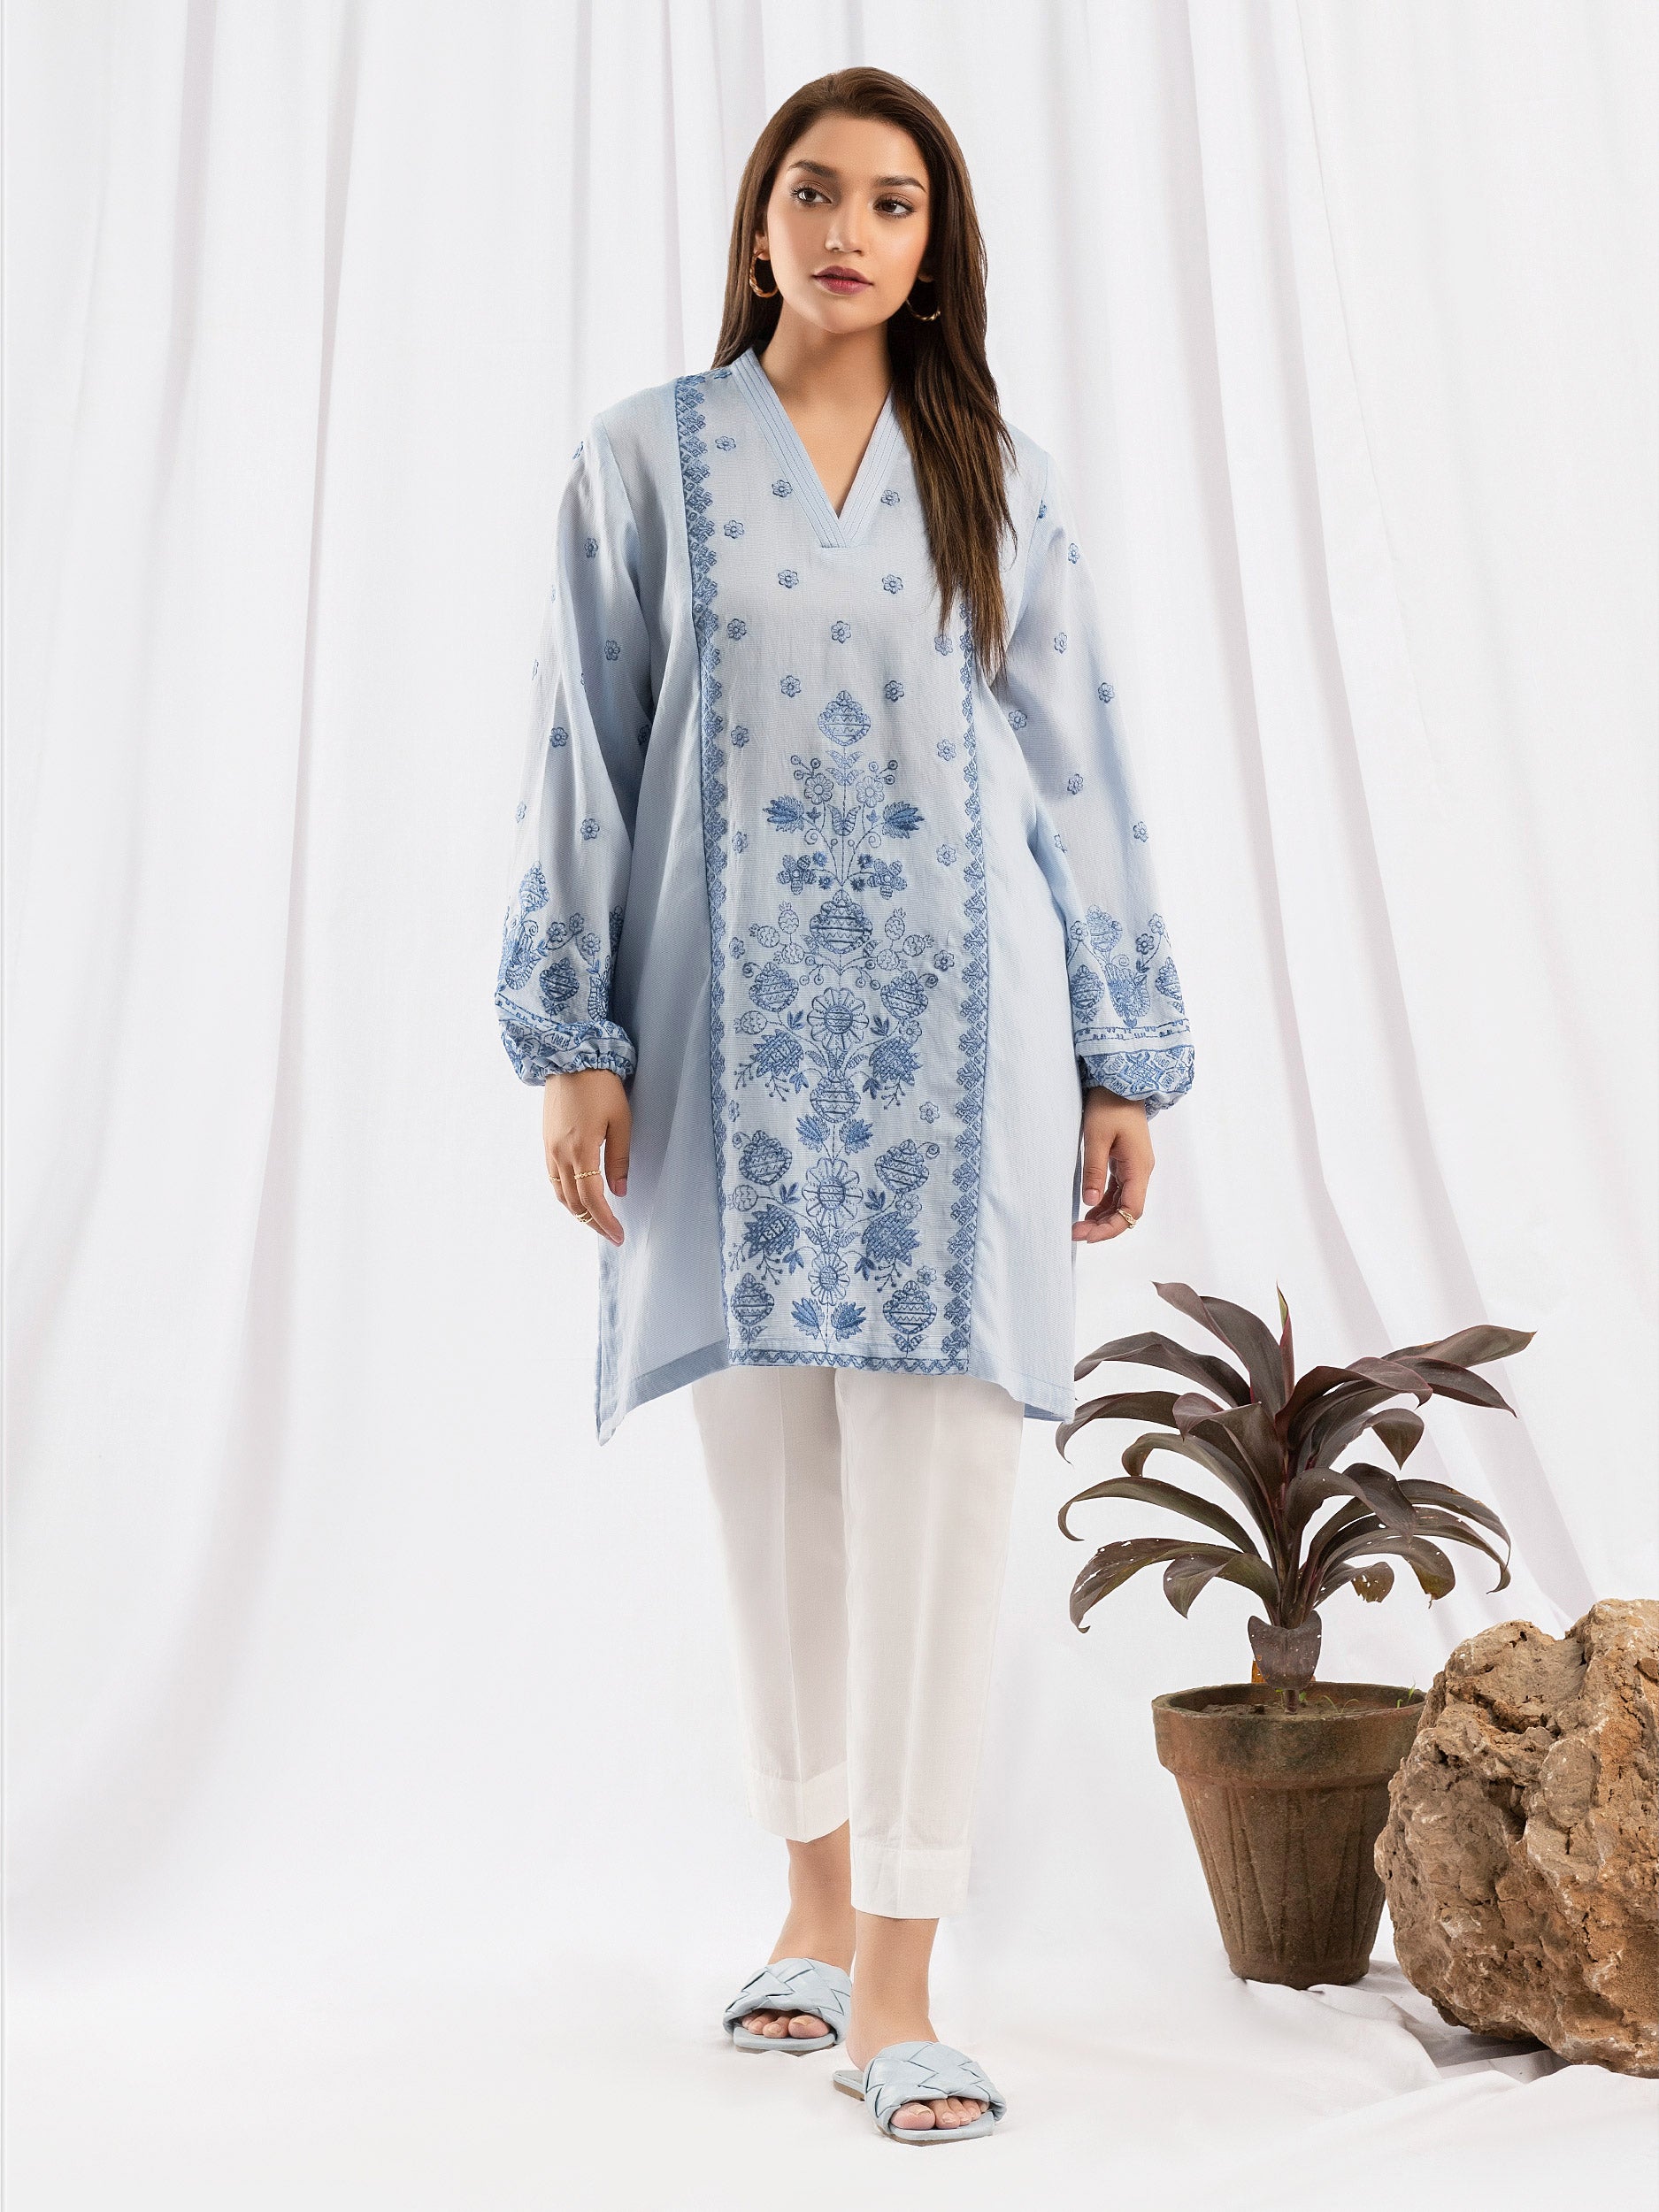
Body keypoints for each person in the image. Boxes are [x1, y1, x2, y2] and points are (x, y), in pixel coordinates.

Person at [495, 66, 1194, 2145]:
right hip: (715, 1035)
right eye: (815, 191)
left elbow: (1077, 763)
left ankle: (900, 1968)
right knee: (769, 1481)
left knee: (938, 1481)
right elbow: (581, 745)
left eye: (892, 203)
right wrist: (573, 1035)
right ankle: (808, 1901)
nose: (848, 231)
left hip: (959, 1039)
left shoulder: (994, 475)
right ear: (758, 221)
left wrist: (1119, 1051)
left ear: (932, 246)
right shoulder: (642, 462)